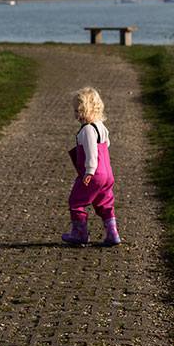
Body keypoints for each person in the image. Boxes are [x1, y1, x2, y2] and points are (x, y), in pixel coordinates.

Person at [62, 87, 122, 246]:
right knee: (105, 203)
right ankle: (112, 234)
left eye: (82, 111)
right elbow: (106, 144)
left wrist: (89, 172)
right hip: (107, 174)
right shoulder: (100, 126)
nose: (78, 115)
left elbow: (91, 153)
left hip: (93, 174)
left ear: (93, 109)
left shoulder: (87, 129)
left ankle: (79, 234)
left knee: (76, 201)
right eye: (76, 111)